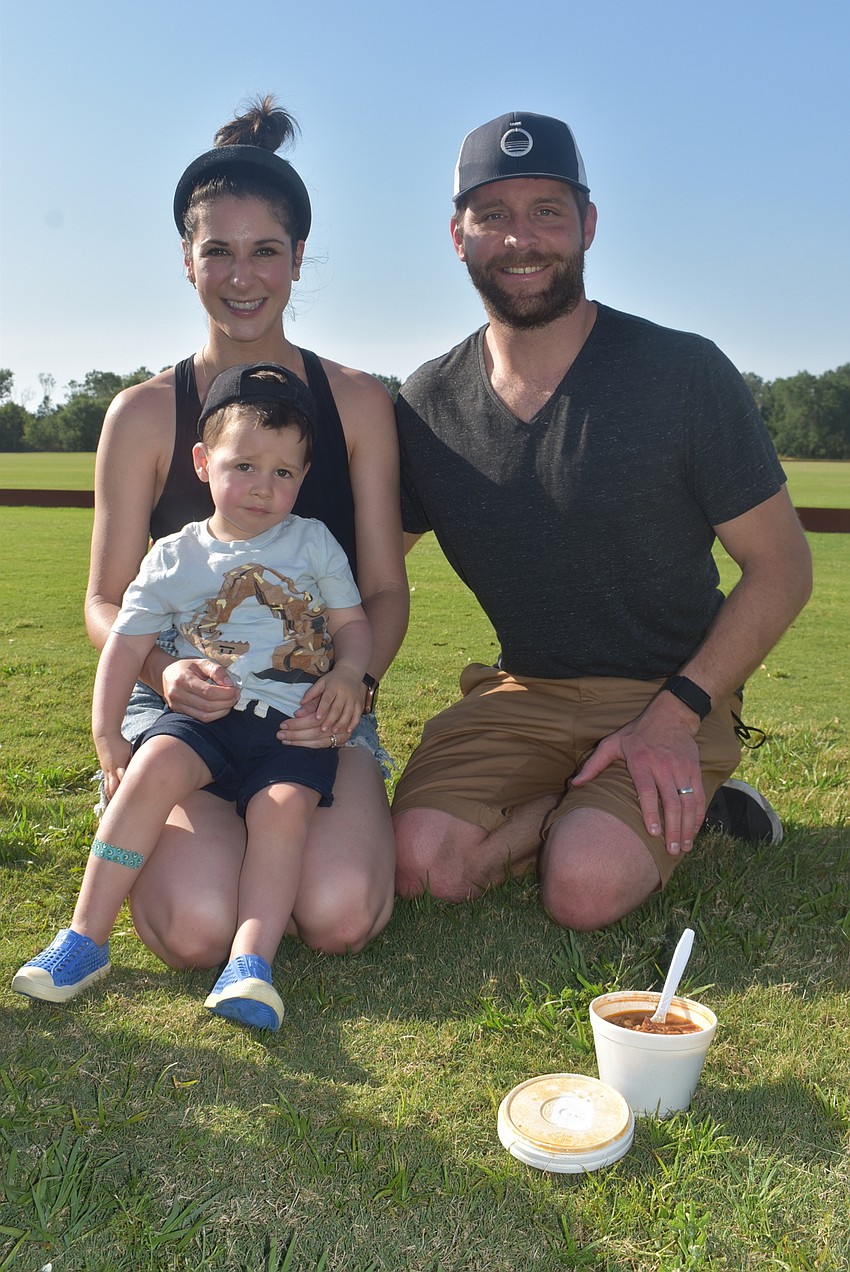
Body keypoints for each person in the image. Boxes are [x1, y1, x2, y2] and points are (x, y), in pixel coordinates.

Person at [392, 111, 812, 931]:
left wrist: (677, 713)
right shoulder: (427, 404)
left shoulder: (682, 371)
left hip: (673, 689)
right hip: (523, 690)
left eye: (547, 211)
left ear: (587, 224)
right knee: (419, 864)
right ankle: (609, 798)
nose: (521, 239)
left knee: (582, 888)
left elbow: (782, 567)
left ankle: (684, 790)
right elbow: (364, 569)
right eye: (492, 215)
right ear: (457, 236)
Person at [82, 96, 408, 970]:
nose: (242, 276)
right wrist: (162, 671)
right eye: (217, 251)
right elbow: (105, 600)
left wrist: (352, 683)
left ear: (298, 258)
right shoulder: (143, 414)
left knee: (339, 913)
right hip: (182, 710)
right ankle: (143, 799)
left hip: (308, 708)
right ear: (186, 260)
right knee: (196, 928)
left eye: (265, 250)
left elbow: (383, 588)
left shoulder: (357, 403)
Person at [14, 364, 372, 1030]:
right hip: (202, 715)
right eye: (244, 466)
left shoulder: (313, 542)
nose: (263, 487)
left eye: (283, 472)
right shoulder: (174, 557)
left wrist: (352, 674)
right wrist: (107, 736)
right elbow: (124, 647)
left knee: (283, 811)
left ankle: (250, 965)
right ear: (204, 464)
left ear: (303, 477)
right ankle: (85, 938)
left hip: (292, 723)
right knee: (151, 768)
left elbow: (353, 625)